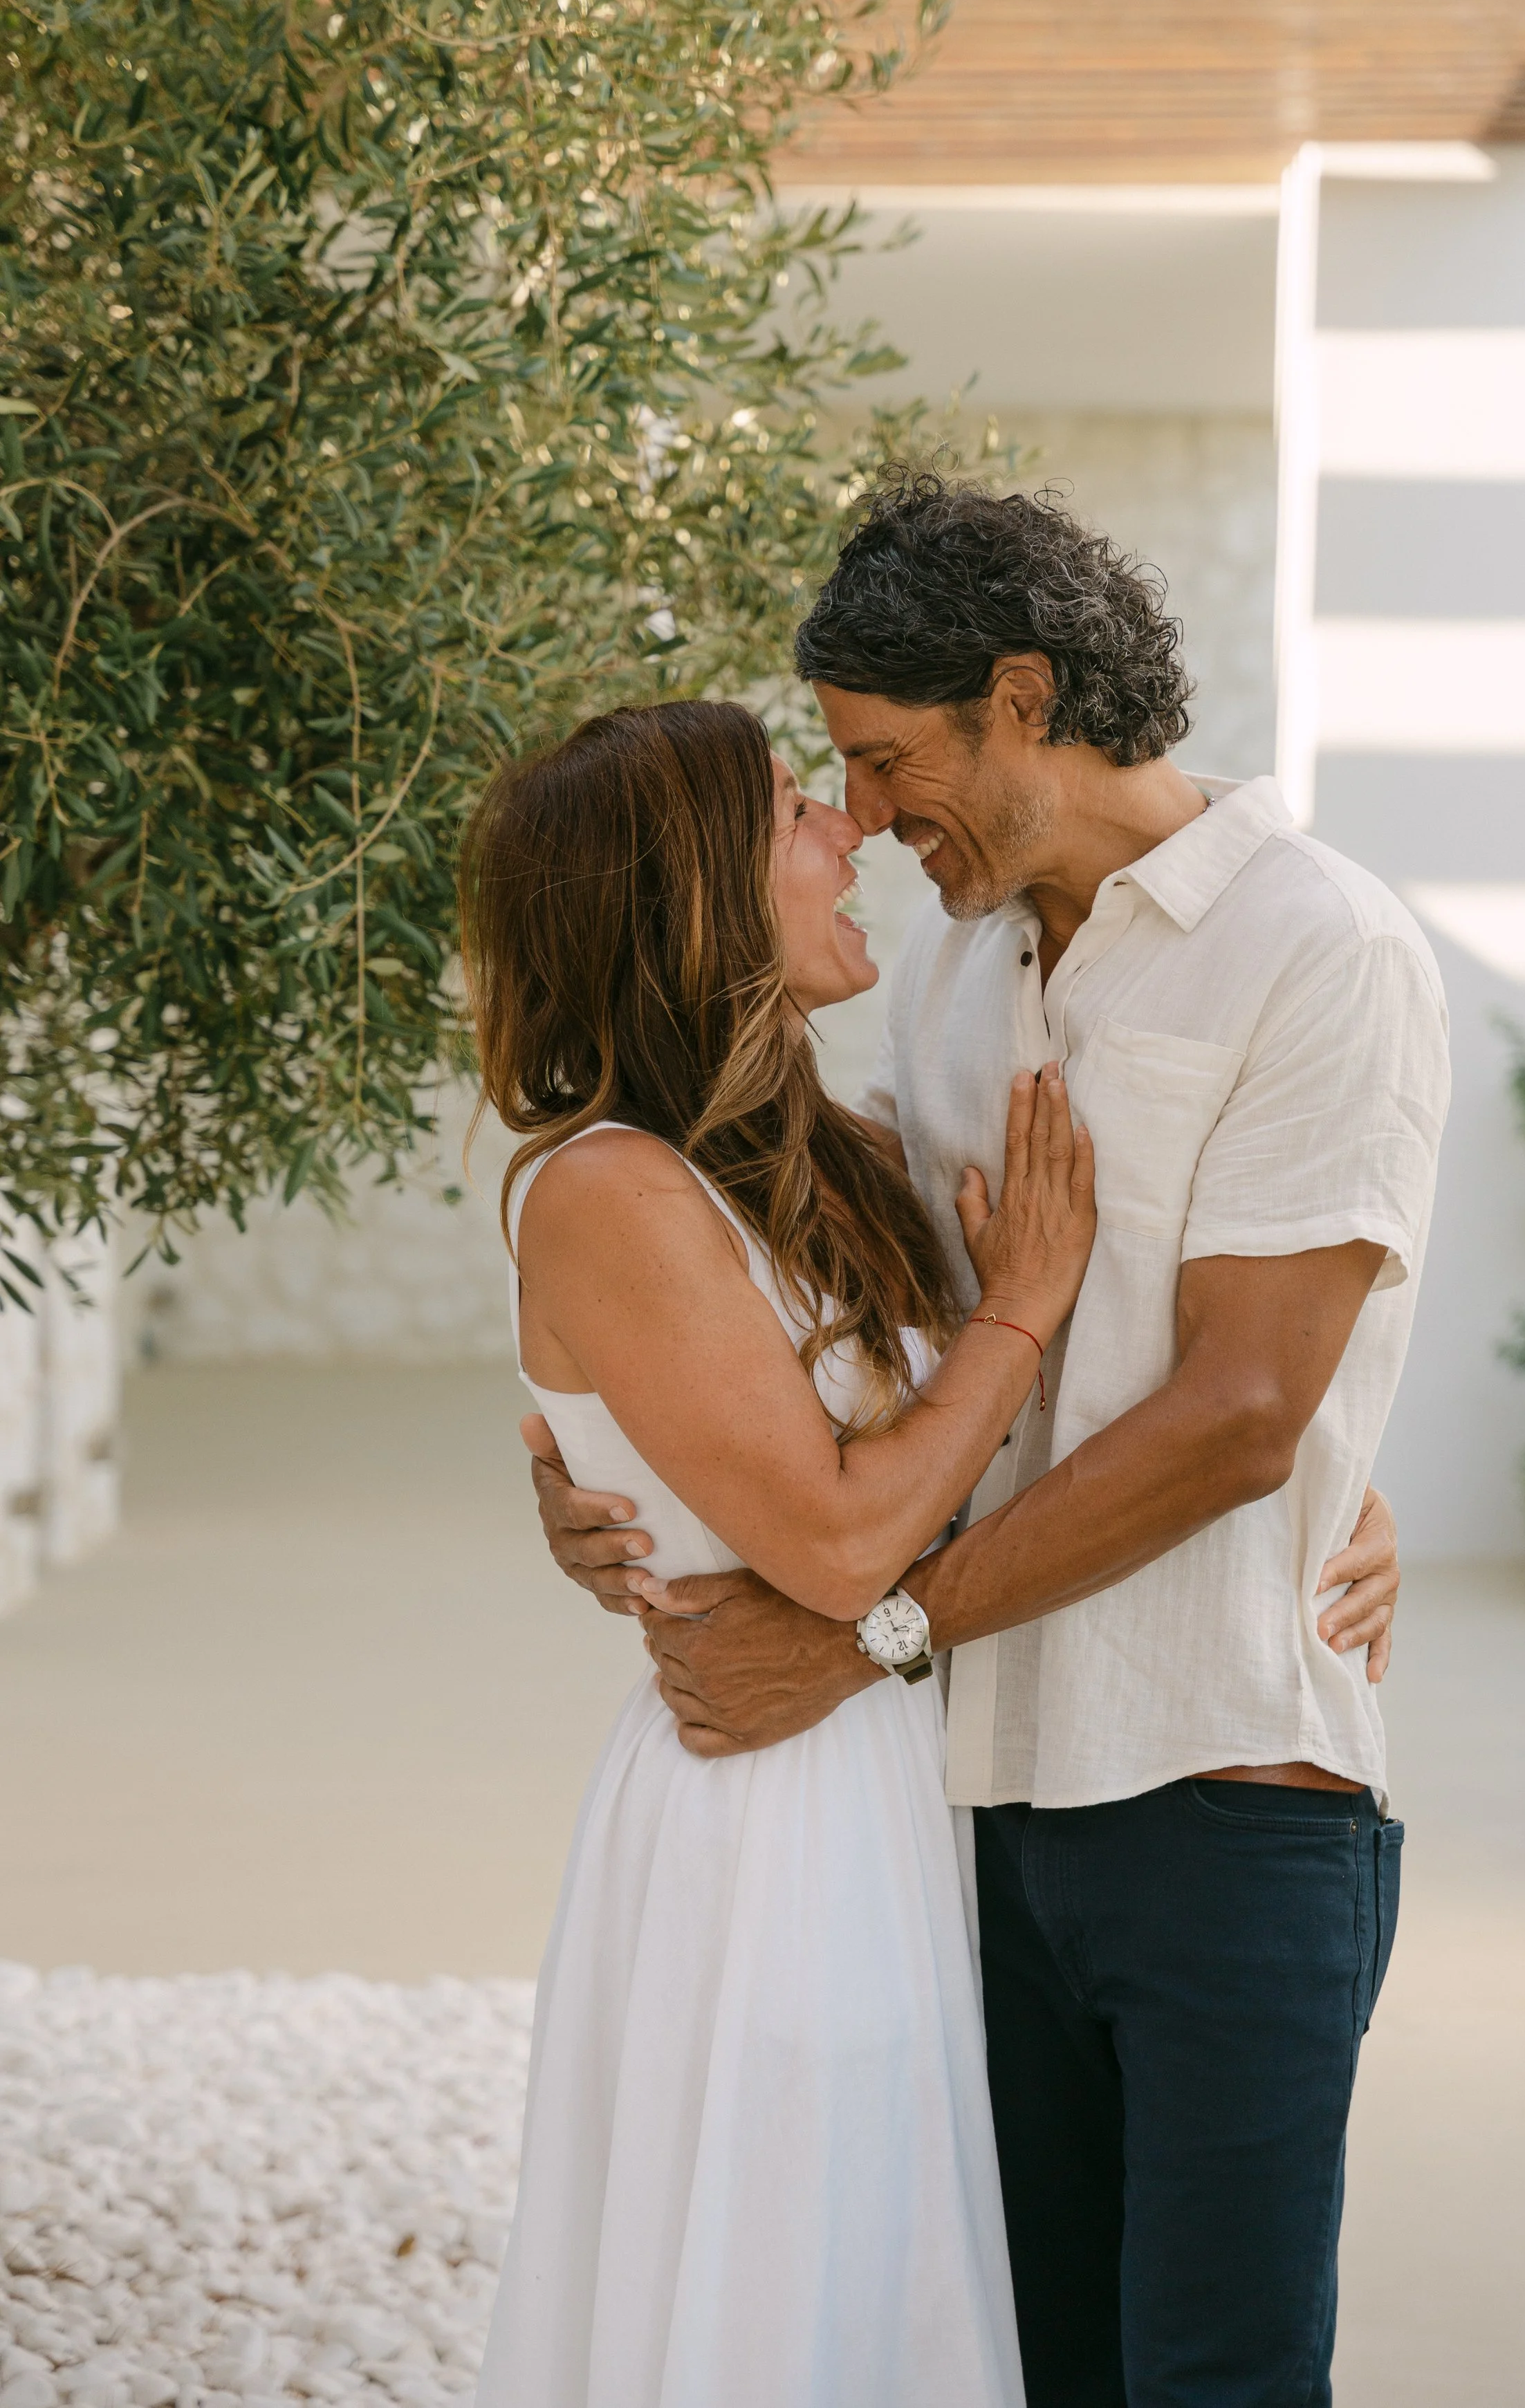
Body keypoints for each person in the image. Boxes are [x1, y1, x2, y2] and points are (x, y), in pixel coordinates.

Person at [532, 474, 1448, 2408]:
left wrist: (878, 1626)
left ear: (1020, 696)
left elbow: (1238, 1407)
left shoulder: (1318, 945)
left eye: (878, 763)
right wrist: (602, 1461)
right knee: (1013, 2364)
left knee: (1212, 2374)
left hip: (1224, 1789)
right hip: (959, 1808)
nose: (858, 819)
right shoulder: (953, 969)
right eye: (834, 785)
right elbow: (865, 1333)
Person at [464, 696, 1104, 2407]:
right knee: (785, 2287)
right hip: (763, 1812)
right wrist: (1023, 1307)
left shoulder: (819, 1157)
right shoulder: (605, 1186)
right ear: (690, 895)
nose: (851, 830)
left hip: (875, 1782)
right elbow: (834, 1542)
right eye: (791, 814)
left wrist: (1340, 1487)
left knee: (873, 2281)